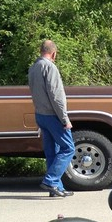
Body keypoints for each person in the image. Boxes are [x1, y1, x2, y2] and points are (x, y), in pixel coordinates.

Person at [28, 39, 75, 198]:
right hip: (52, 115)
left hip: (40, 114)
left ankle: (56, 188)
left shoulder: (34, 67)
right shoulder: (50, 67)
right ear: (54, 53)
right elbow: (56, 96)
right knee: (68, 148)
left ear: (41, 51)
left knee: (52, 152)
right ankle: (51, 180)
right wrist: (64, 119)